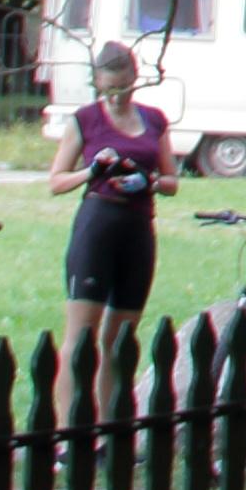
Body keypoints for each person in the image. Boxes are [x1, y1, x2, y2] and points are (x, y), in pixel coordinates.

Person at [43, 41, 176, 418]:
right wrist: (93, 172)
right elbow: (56, 181)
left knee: (120, 338)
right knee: (82, 336)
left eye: (123, 87)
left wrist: (147, 180)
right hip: (97, 226)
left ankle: (109, 427)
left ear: (135, 79)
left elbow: (171, 180)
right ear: (98, 84)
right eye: (109, 89)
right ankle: (69, 432)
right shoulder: (85, 120)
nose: (116, 96)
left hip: (137, 229)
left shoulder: (154, 120)